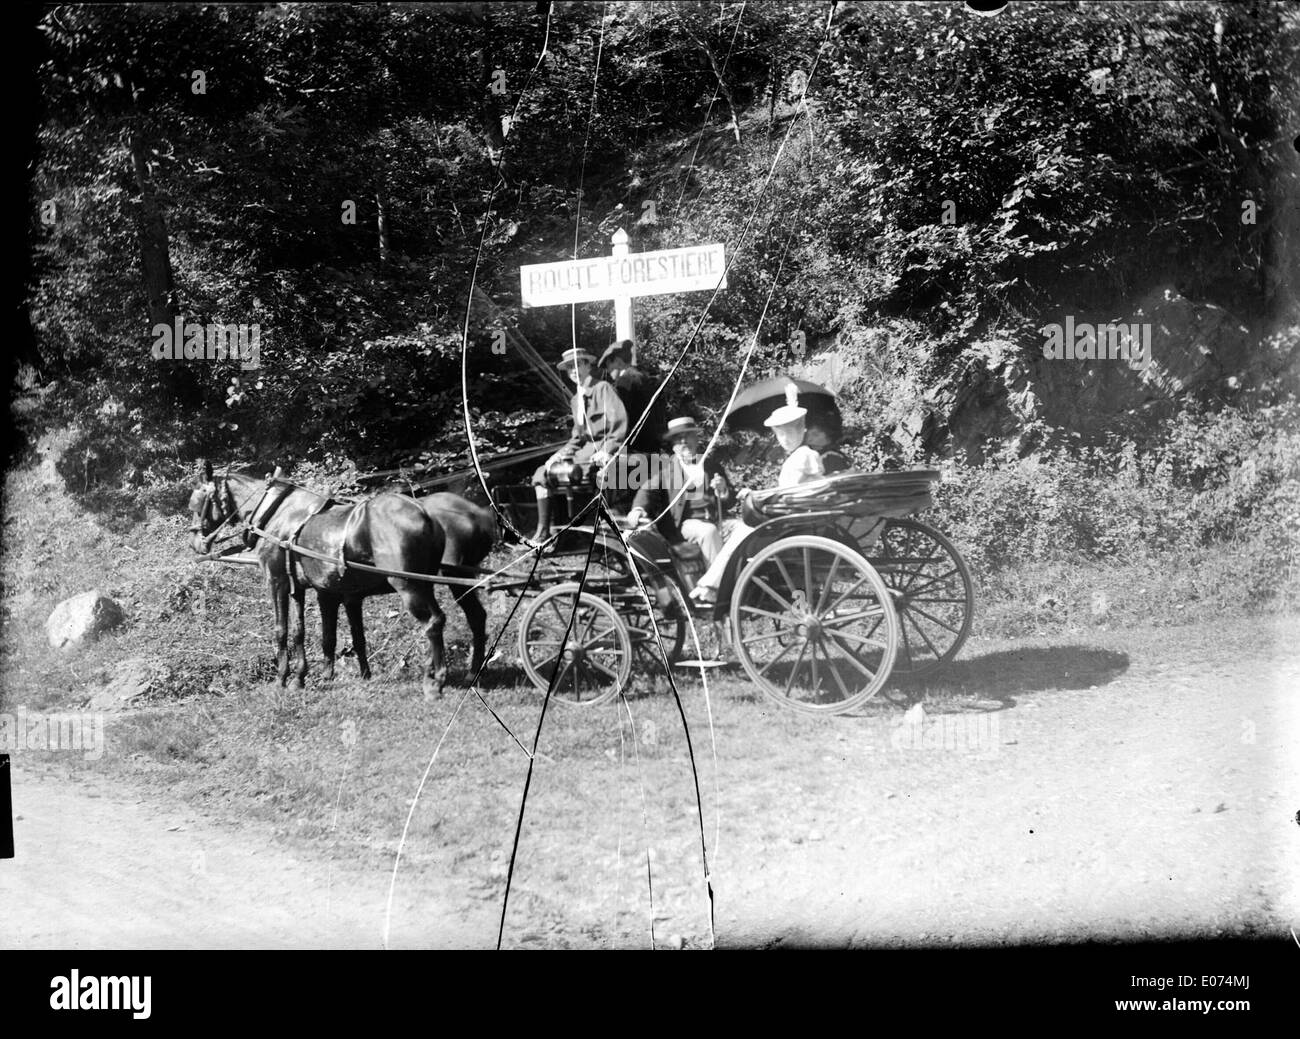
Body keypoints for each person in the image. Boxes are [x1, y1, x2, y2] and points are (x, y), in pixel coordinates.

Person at [687, 390, 824, 606]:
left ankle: (712, 586)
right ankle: (725, 584)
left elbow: (787, 494)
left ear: (802, 430)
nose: (786, 439)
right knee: (741, 528)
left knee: (743, 531)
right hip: (797, 518)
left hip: (791, 522)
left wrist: (755, 495)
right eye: (781, 434)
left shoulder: (802, 457)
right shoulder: (804, 456)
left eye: (790, 433)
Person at [530, 347, 628, 544]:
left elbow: (618, 426)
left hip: (603, 450)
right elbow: (577, 437)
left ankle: (583, 534)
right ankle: (544, 532)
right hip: (584, 452)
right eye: (569, 368)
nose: (573, 371)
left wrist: (606, 451)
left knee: (576, 470)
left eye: (577, 365)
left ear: (587, 365)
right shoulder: (576, 400)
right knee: (542, 473)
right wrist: (558, 455)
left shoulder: (603, 389)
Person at [624, 416, 734, 565]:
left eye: (688, 436)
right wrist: (637, 509)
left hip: (717, 521)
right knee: (708, 532)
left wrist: (723, 490)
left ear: (696, 439)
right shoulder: (667, 470)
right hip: (687, 525)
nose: (684, 442)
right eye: (678, 439)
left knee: (744, 529)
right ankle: (717, 586)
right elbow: (647, 489)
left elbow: (730, 501)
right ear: (673, 446)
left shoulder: (713, 466)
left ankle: (746, 581)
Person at [597, 340, 668, 454]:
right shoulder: (644, 377)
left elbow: (620, 419)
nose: (609, 373)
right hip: (654, 447)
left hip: (636, 450)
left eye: (609, 367)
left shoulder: (624, 382)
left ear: (619, 362)